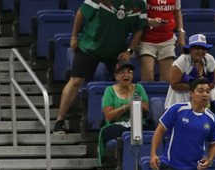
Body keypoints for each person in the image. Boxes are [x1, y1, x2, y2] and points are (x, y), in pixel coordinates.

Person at [53, 0, 146, 135]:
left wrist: (129, 51)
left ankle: (128, 124)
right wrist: (74, 36)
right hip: (90, 47)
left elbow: (139, 29)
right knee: (76, 80)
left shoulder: (139, 3)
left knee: (127, 81)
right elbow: (81, 13)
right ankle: (59, 120)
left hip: (116, 52)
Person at [162, 35, 215, 112]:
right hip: (180, 98)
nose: (200, 51)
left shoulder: (210, 59)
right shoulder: (181, 61)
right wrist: (196, 86)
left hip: (200, 99)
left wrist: (200, 89)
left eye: (203, 48)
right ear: (190, 49)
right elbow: (174, 85)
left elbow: (212, 83)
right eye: (197, 48)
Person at [99, 62, 150, 153]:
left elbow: (146, 112)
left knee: (145, 129)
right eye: (122, 72)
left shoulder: (139, 88)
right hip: (116, 125)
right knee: (122, 131)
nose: (126, 75)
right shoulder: (109, 90)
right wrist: (126, 107)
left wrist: (137, 105)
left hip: (137, 124)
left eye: (129, 72)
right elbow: (109, 116)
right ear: (116, 76)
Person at [140, 0, 183, 83]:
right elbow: (139, 15)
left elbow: (177, 11)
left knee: (167, 81)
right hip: (147, 40)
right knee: (147, 78)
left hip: (167, 40)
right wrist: (150, 21)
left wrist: (181, 32)